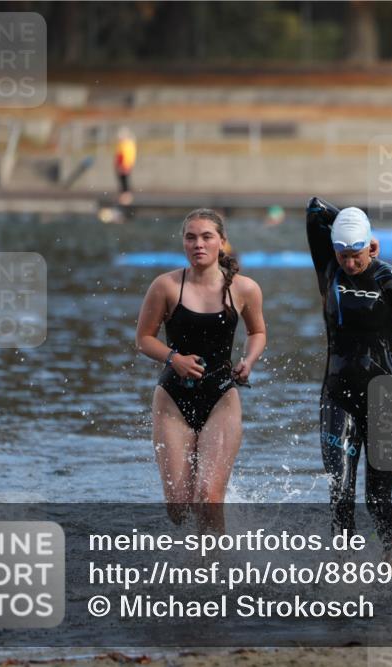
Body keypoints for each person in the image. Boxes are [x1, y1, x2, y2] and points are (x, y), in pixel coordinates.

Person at [306, 197, 392, 558]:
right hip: (337, 395)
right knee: (340, 493)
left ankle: (390, 555)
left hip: (386, 398)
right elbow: (314, 209)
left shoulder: (391, 280)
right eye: (343, 255)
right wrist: (348, 222)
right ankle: (346, 570)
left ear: (372, 246)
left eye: (358, 255)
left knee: (376, 499)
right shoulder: (328, 271)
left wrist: (389, 343)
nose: (350, 264)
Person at [136, 209, 266, 529]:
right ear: (183, 242)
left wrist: (248, 361)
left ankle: (213, 573)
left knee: (208, 497)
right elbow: (143, 339)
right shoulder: (166, 286)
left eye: (207, 237)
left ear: (221, 242)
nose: (198, 244)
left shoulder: (245, 289)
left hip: (221, 396)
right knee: (179, 508)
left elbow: (257, 333)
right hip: (172, 399)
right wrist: (174, 359)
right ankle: (195, 563)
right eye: (190, 237)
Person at [115, 127, 137, 206]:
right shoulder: (123, 144)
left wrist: (124, 165)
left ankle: (126, 197)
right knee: (122, 180)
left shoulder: (127, 144)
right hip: (122, 165)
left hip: (124, 165)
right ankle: (124, 196)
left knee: (125, 180)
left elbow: (127, 156)